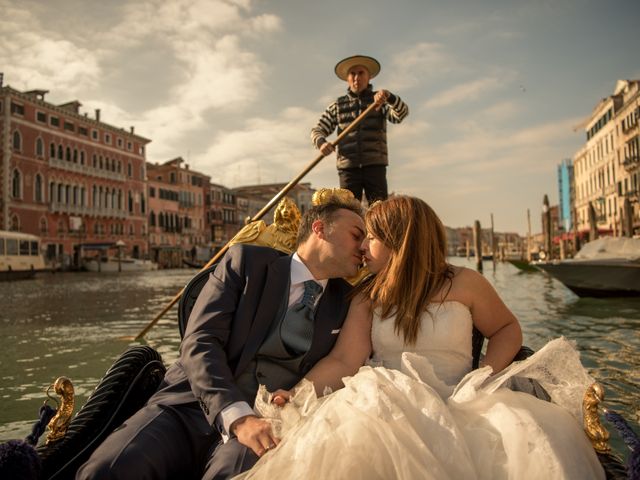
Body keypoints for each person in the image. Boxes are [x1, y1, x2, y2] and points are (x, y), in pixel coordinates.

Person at [236, 196, 605, 479]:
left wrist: (483, 377)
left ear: (400, 240)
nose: (362, 247)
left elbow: (507, 330)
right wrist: (299, 392)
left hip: (462, 399)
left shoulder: (466, 283)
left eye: (373, 237)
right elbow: (344, 361)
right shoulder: (368, 295)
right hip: (382, 402)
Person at [76, 199, 366, 480]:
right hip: (187, 406)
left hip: (266, 422)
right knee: (106, 470)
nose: (363, 246)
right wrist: (238, 416)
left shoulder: (348, 303)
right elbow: (200, 341)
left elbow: (342, 363)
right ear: (319, 228)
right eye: (356, 235)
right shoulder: (246, 263)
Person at [311, 55, 409, 203]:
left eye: (361, 73)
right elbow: (317, 130)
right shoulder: (337, 106)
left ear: (369, 77)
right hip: (348, 169)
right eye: (353, 74)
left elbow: (401, 114)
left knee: (379, 211)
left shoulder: (380, 101)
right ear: (347, 79)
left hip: (374, 165)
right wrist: (321, 143)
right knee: (348, 211)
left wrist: (389, 97)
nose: (357, 77)